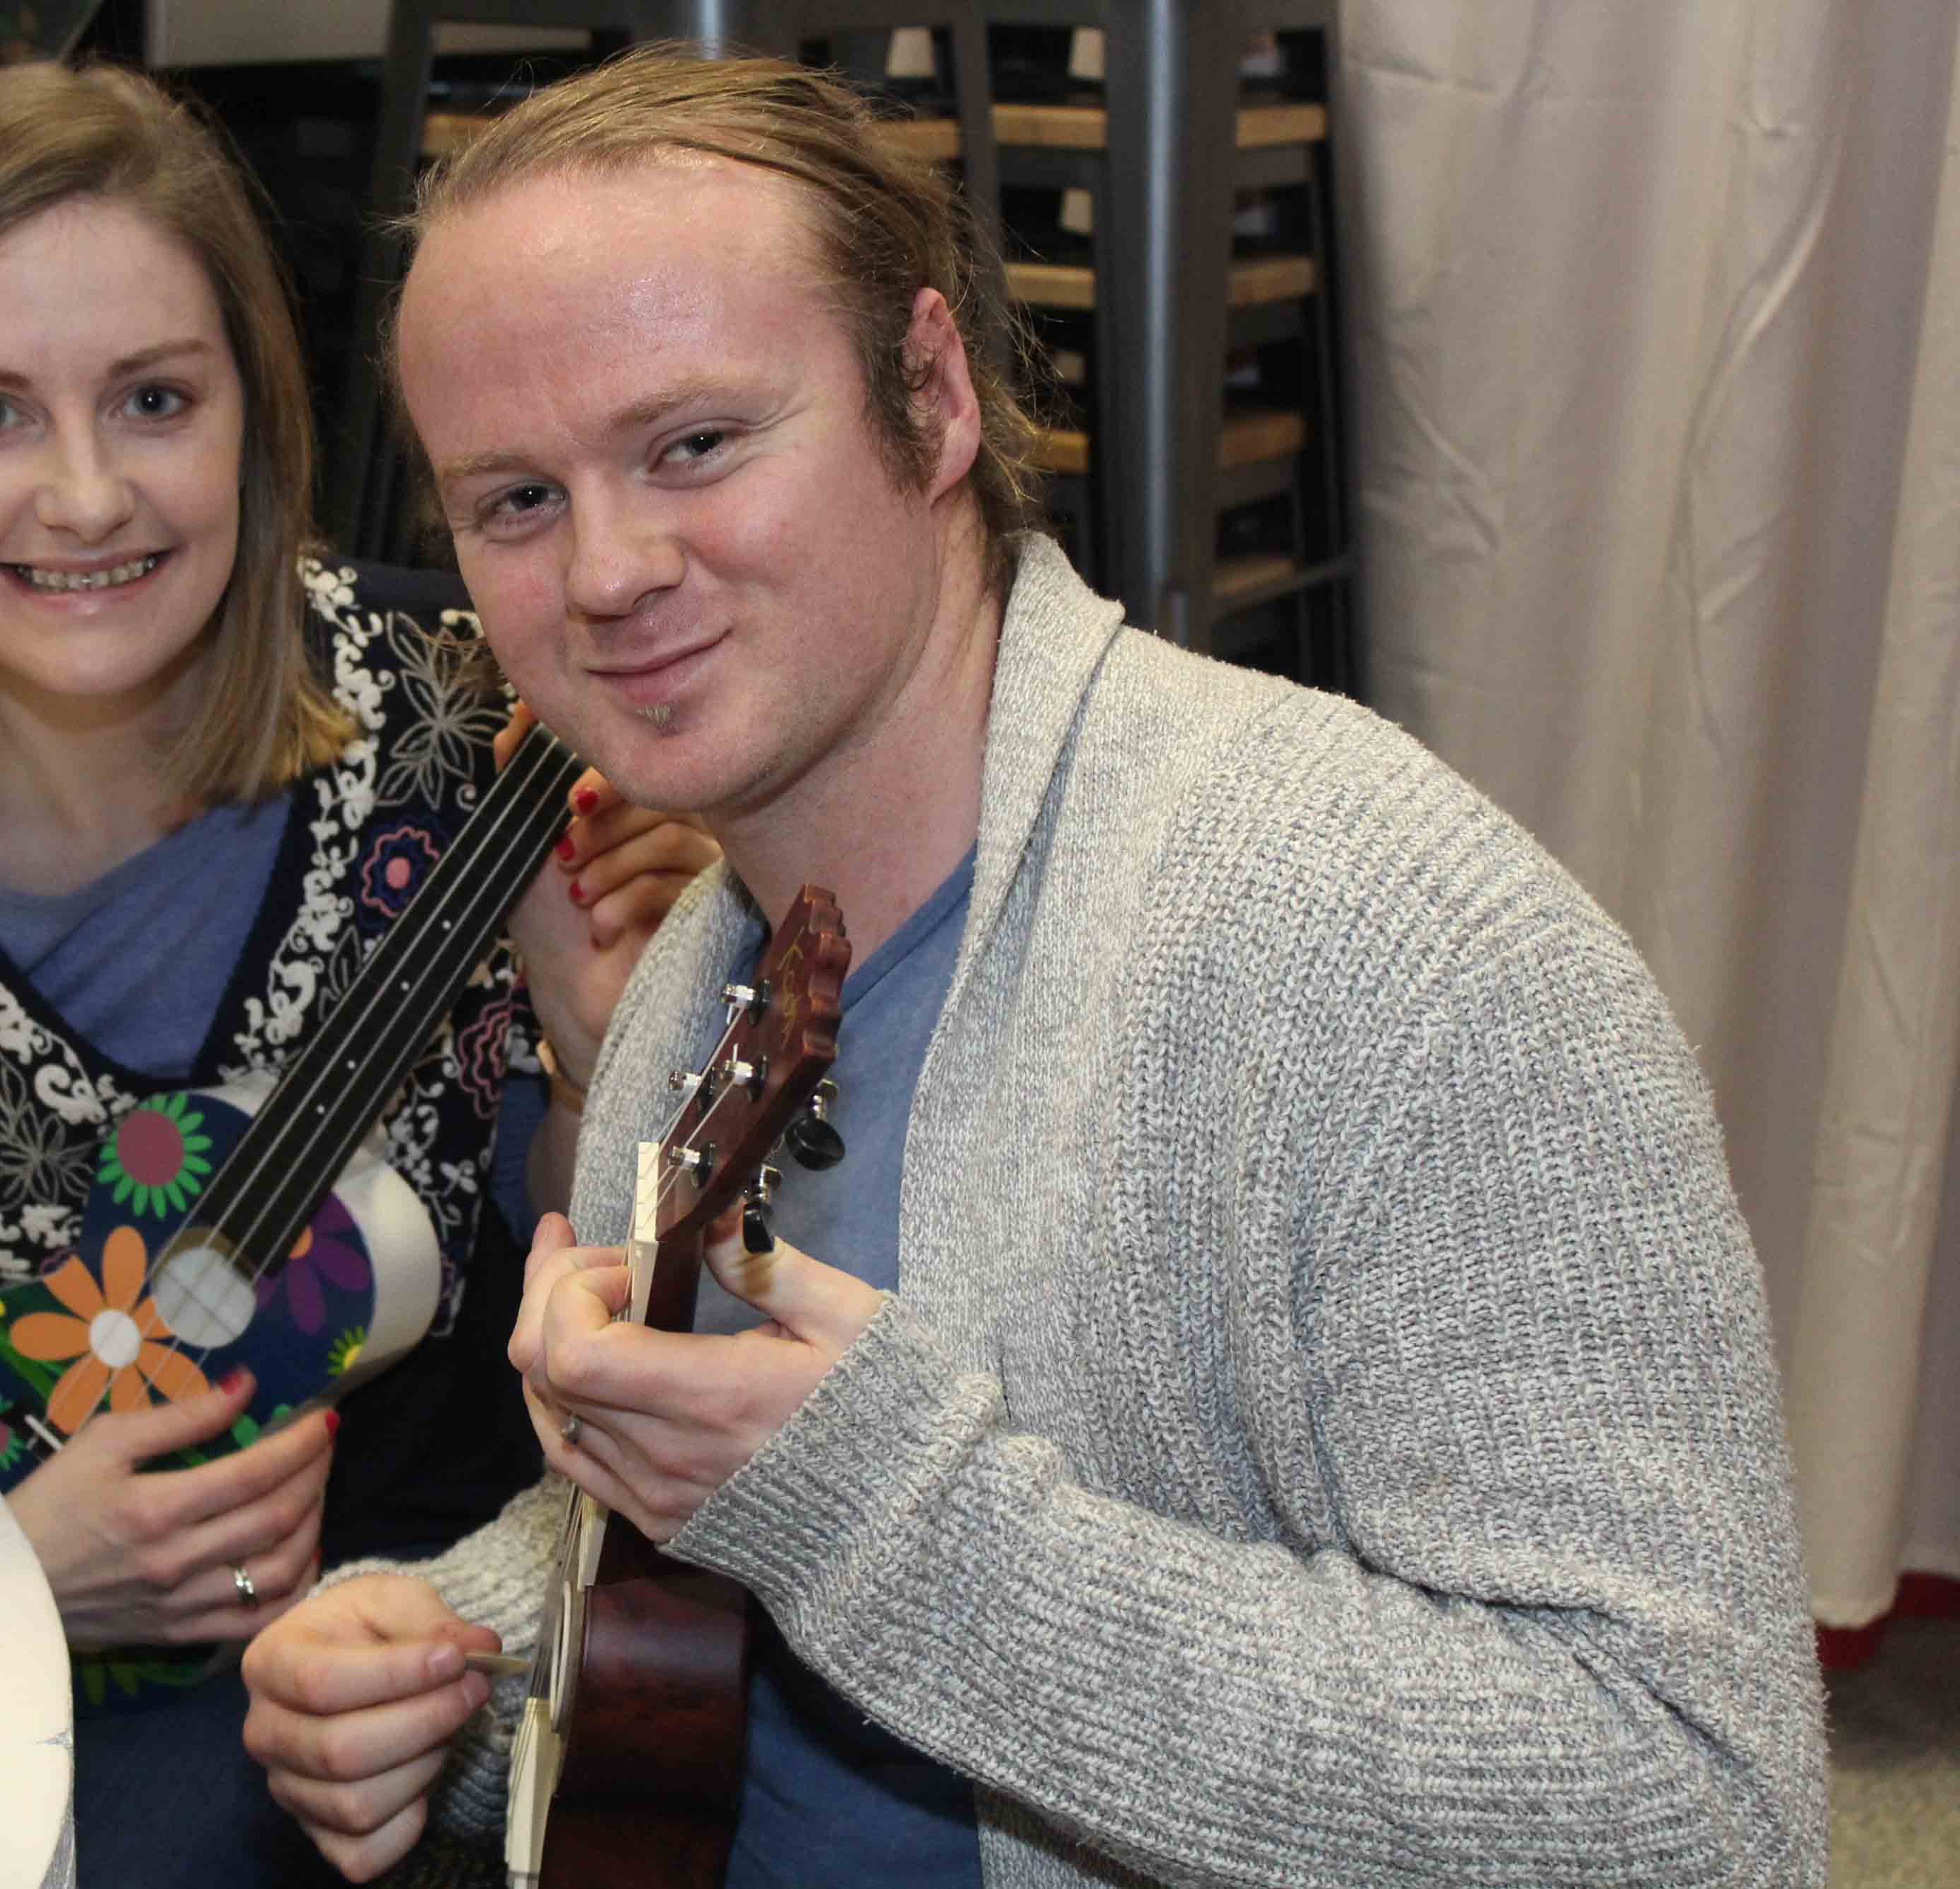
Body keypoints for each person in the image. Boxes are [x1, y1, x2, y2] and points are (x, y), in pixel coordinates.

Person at [238, 48, 1827, 1889]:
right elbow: (714, 1542)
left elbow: (1695, 1813)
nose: (606, 570)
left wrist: (906, 1525)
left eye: (694, 444)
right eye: (514, 499)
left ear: (931, 395)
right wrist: (459, 1641)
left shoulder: (1398, 950)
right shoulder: (706, 967)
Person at [0, 59, 711, 1888]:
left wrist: (595, 1050)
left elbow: (617, 1330)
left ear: (258, 420)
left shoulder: (468, 730)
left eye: (156, 400)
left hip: (422, 1622)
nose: (85, 494)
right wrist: (7, 1556)